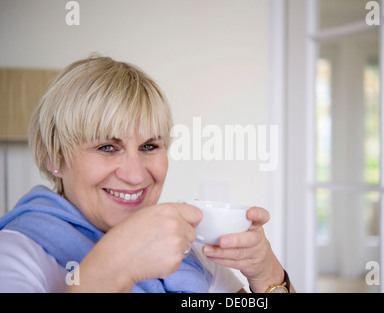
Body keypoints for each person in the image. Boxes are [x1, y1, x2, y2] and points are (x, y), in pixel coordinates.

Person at [0, 55, 294, 293]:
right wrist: (115, 265)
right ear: (56, 158)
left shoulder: (184, 250)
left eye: (149, 145)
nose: (135, 174)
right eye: (107, 147)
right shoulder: (15, 254)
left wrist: (265, 270)